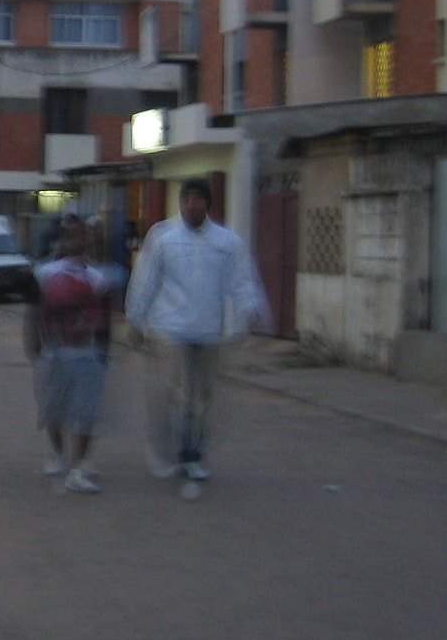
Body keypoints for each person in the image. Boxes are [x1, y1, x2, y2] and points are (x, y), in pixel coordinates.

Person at [125, 178, 269, 499]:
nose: (191, 206)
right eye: (186, 199)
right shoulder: (163, 238)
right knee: (178, 394)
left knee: (201, 399)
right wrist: (135, 319)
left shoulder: (226, 242)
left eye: (197, 200)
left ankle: (193, 454)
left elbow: (241, 280)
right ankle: (182, 451)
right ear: (180, 203)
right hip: (170, 330)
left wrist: (251, 309)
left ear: (208, 204)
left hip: (207, 330)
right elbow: (145, 279)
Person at [27, 216, 126, 493]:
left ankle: (79, 466)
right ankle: (59, 455)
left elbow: (105, 320)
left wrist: (103, 353)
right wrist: (35, 345)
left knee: (85, 413)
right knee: (53, 409)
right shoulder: (44, 273)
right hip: (54, 352)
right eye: (70, 235)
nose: (76, 241)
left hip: (86, 353)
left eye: (82, 235)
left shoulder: (99, 278)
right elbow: (34, 311)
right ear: (61, 239)